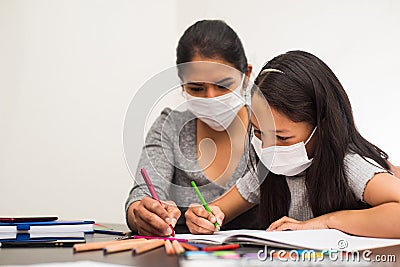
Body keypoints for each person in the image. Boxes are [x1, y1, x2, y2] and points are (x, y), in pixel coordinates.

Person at [185, 50, 400, 238]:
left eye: (282, 137)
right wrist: (203, 218)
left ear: (321, 127)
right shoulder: (265, 171)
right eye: (259, 133)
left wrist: (327, 222)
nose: (268, 148)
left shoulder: (348, 165)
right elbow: (215, 211)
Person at [125, 20, 257, 236]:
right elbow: (140, 198)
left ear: (246, 76)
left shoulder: (272, 131)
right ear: (182, 84)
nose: (211, 98)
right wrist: (141, 213)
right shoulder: (169, 127)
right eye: (196, 88)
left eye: (223, 85)